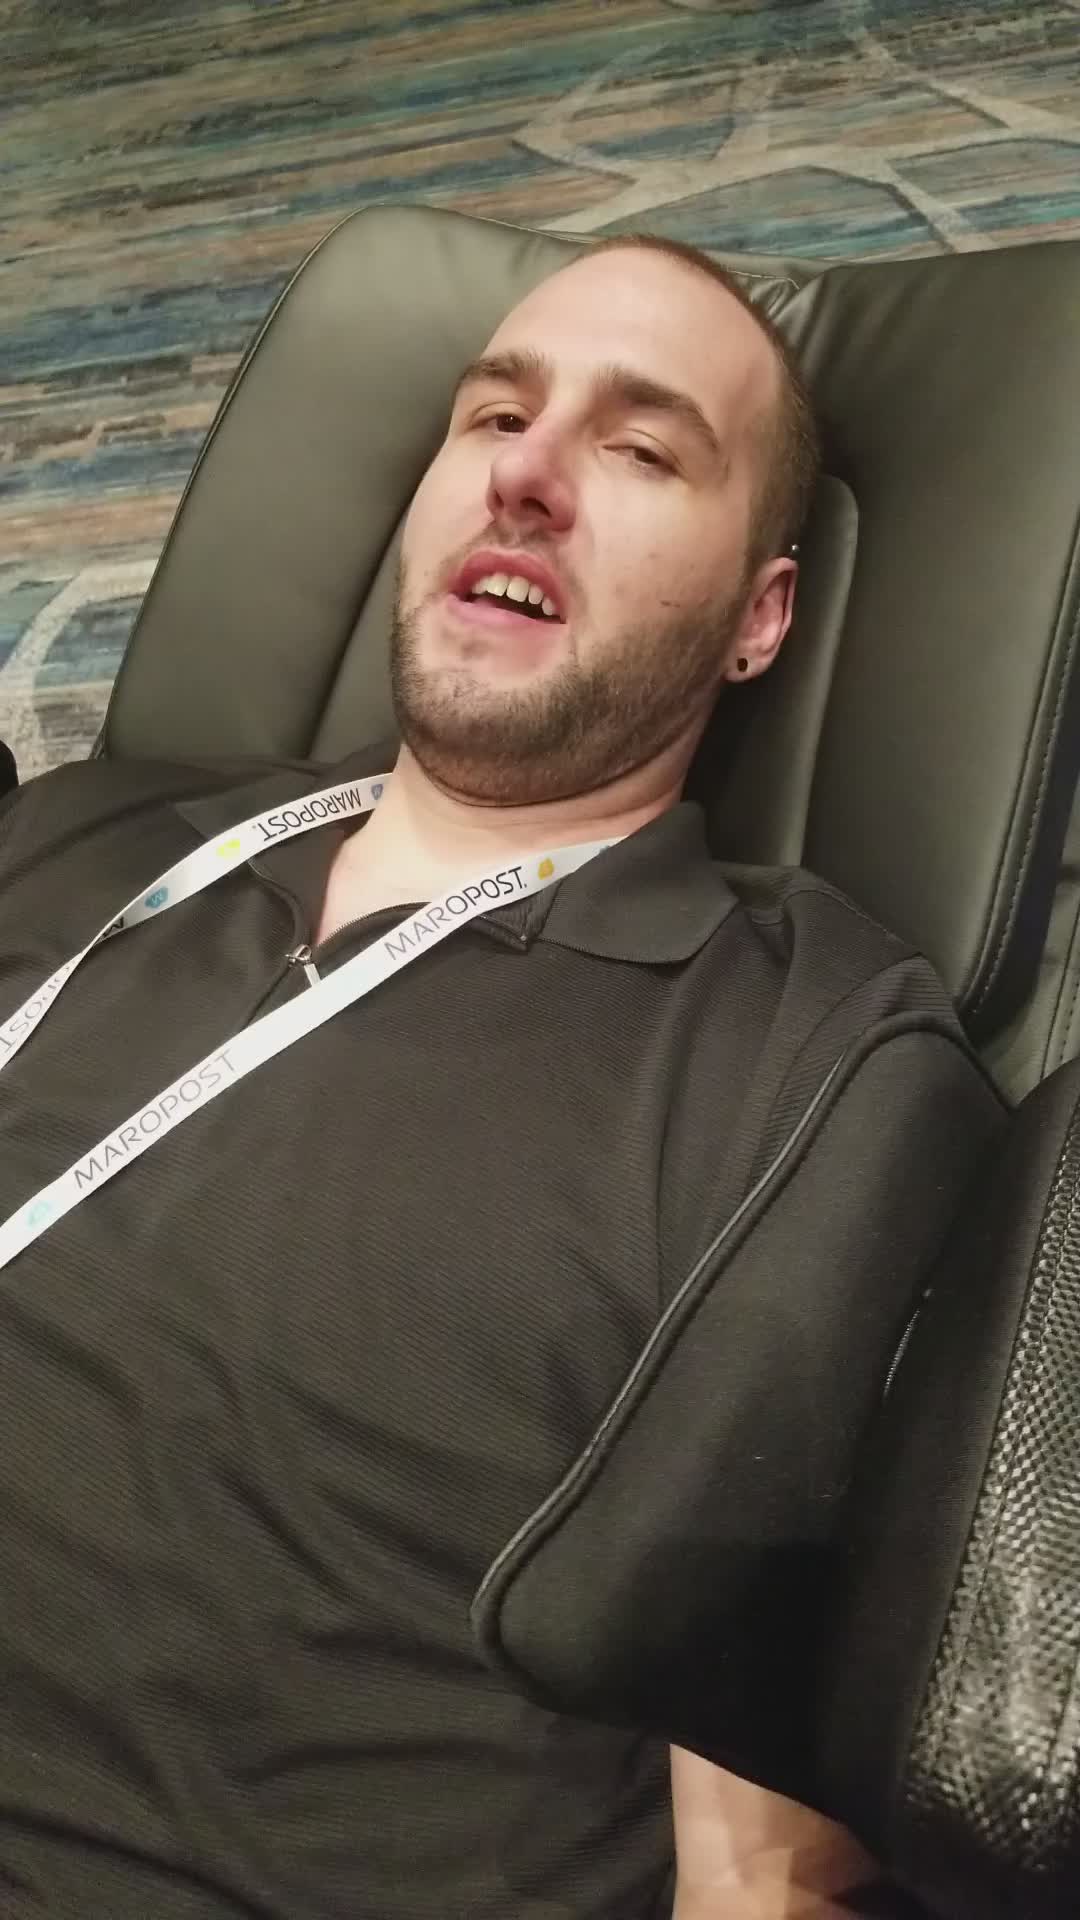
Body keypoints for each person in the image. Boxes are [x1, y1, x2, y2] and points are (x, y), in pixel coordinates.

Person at [0, 235, 1002, 1919]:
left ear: (760, 618)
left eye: (641, 448)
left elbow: (759, 1880)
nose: (527, 475)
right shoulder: (83, 832)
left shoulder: (801, 1053)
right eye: (493, 416)